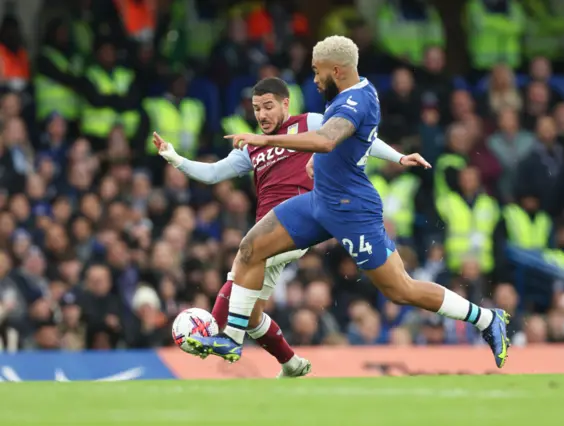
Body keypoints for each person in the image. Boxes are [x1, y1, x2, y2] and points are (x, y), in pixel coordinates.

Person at [187, 36, 511, 369]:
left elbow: (327, 140)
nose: (313, 79)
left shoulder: (354, 103)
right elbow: (345, 145)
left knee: (401, 289)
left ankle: (486, 319)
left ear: (337, 70)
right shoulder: (347, 94)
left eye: (317, 71)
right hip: (319, 201)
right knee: (250, 248)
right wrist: (340, 161)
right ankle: (231, 339)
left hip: (351, 208)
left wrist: (266, 139)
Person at [153, 76, 425, 376]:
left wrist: (398, 157)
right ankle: (291, 364)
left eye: (268, 107)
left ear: (285, 103)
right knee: (253, 312)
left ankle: (219, 333)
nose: (262, 115)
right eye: (256, 109)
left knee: (240, 268)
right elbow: (213, 173)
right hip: (266, 232)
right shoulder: (252, 148)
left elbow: (361, 139)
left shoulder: (309, 123)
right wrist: (175, 158)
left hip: (297, 225)